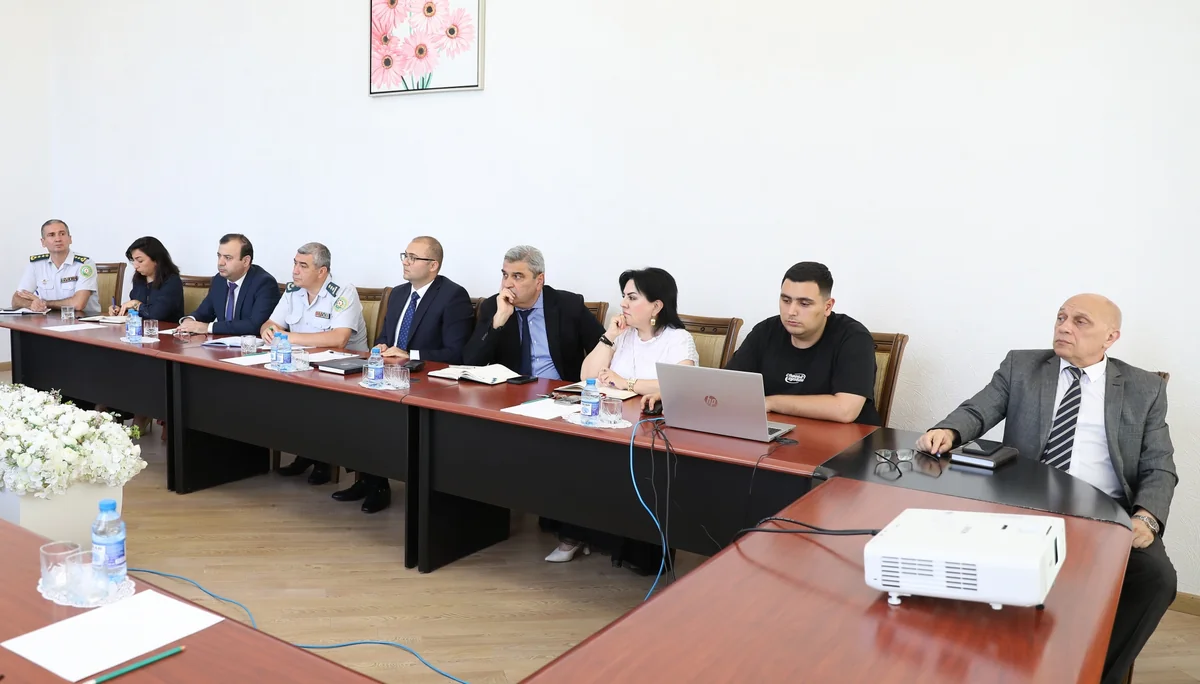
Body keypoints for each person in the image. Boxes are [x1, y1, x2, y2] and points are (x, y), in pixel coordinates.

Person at [916, 293, 1176, 684]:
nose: (1064, 327)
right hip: (1024, 504)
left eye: (1080, 321)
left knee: (1157, 579)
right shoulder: (1022, 366)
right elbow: (977, 410)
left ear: (1111, 338)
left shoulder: (1145, 388)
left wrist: (1146, 518)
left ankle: (1092, 674)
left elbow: (1159, 465)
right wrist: (948, 430)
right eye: (1060, 317)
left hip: (1106, 513)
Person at [549, 267, 699, 564]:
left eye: (632, 297)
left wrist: (626, 383)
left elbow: (681, 384)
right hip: (609, 422)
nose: (623, 304)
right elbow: (586, 376)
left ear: (656, 306)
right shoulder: (624, 335)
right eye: (623, 297)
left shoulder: (677, 339)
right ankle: (577, 533)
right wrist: (609, 336)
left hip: (649, 429)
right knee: (571, 451)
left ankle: (613, 541)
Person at [330, 236, 474, 513]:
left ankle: (379, 486)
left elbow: (456, 353)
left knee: (379, 413)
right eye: (404, 256)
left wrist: (410, 354)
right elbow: (385, 338)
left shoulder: (452, 296)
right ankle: (366, 478)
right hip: (388, 373)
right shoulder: (397, 294)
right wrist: (382, 347)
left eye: (413, 257)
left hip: (427, 380)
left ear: (433, 265)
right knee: (350, 402)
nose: (405, 262)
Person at [261, 242, 368, 486]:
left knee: (315, 396)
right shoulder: (293, 291)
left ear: (322, 271)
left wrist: (288, 337)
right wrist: (268, 330)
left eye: (303, 265)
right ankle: (306, 453)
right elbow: (271, 323)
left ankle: (323, 459)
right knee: (270, 389)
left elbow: (339, 339)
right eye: (295, 263)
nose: (295, 270)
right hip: (303, 366)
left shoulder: (343, 291)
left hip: (344, 370)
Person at [723, 261, 880, 426]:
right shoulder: (765, 331)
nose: (791, 311)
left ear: (827, 306)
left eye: (804, 304)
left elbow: (845, 410)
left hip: (844, 438)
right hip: (777, 433)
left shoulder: (854, 338)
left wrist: (770, 403)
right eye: (786, 300)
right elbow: (727, 387)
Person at [463, 245, 605, 379]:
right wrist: (498, 321)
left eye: (517, 276)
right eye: (505, 275)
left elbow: (605, 349)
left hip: (559, 392)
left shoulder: (569, 305)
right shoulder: (494, 307)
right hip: (509, 392)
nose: (507, 284)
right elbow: (471, 364)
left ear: (539, 281)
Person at [176, 234, 281, 335]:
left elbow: (255, 325)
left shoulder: (264, 283)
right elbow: (204, 312)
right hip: (221, 344)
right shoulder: (219, 280)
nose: (220, 263)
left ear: (245, 261)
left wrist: (208, 328)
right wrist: (189, 320)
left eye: (228, 258)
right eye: (219, 256)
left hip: (250, 345)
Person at [13, 219, 100, 316]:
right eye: (51, 235)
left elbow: (78, 304)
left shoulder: (85, 264)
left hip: (82, 321)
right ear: (43, 242)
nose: (58, 239)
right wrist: (32, 304)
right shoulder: (36, 265)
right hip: (47, 321)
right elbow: (16, 299)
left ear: (70, 239)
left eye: (62, 234)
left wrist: (43, 303)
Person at [110, 237, 185, 322]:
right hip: (141, 328)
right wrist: (121, 309)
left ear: (156, 260)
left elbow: (157, 314)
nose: (135, 266)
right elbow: (138, 310)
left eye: (140, 261)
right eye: (133, 260)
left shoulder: (172, 281)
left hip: (165, 328)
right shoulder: (139, 279)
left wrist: (136, 304)